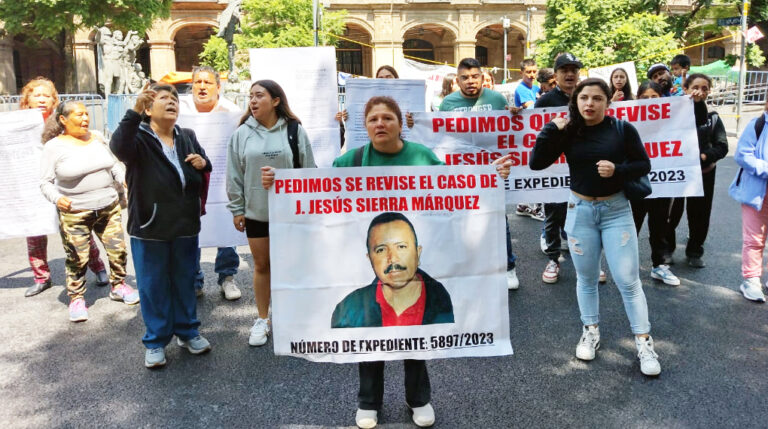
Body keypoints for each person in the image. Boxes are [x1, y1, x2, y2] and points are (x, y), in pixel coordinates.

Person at [263, 95, 511, 429]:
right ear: (365, 127)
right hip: (372, 284)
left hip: (420, 277)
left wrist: (491, 177)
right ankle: (368, 403)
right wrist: (277, 185)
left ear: (399, 124)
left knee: (418, 337)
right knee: (367, 337)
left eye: (387, 118)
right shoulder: (349, 162)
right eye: (373, 119)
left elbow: (455, 197)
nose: (380, 124)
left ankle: (418, 399)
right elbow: (318, 198)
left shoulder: (422, 157)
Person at [531, 78, 661, 377]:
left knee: (628, 280)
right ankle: (590, 331)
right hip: (580, 212)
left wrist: (619, 170)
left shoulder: (622, 129)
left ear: (608, 101)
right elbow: (537, 163)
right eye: (584, 98)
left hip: (616, 211)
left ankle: (643, 342)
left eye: (597, 98)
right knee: (586, 278)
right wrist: (551, 129)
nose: (590, 104)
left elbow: (644, 164)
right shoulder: (568, 131)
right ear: (575, 101)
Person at [110, 84, 213, 368]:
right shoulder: (138, 137)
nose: (171, 103)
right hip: (150, 225)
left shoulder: (187, 136)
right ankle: (156, 341)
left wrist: (203, 162)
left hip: (185, 224)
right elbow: (117, 147)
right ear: (148, 108)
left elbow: (206, 165)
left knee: (185, 281)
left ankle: (188, 332)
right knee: (153, 285)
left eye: (174, 99)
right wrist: (133, 112)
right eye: (163, 99)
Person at [227, 80, 316, 347]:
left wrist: (283, 178)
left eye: (259, 96)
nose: (252, 101)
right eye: (250, 96)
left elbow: (310, 171)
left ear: (276, 101)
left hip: (292, 212)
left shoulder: (294, 130)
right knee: (262, 266)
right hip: (257, 212)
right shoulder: (242, 133)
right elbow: (234, 175)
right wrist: (237, 208)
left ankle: (297, 318)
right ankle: (263, 319)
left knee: (294, 266)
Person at [39, 101, 137, 322]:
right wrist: (57, 198)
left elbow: (113, 165)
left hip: (108, 206)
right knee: (78, 257)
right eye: (78, 115)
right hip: (75, 211)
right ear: (63, 119)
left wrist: (123, 180)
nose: (85, 118)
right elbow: (45, 182)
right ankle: (76, 298)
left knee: (118, 250)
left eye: (86, 114)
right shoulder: (54, 146)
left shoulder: (96, 138)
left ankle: (119, 286)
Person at [19, 77, 108, 298]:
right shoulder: (16, 125)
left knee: (80, 229)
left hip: (65, 186)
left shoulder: (62, 123)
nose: (42, 99)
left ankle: (98, 268)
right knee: (35, 232)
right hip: (30, 186)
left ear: (53, 100)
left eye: (46, 96)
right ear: (27, 100)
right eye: (36, 95)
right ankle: (41, 277)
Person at [438, 57, 520, 290]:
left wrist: (514, 113)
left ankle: (509, 267)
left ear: (483, 77)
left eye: (475, 76)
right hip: (462, 171)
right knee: (462, 219)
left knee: (497, 218)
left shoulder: (496, 99)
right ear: (458, 80)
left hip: (493, 170)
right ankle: (469, 267)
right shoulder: (448, 103)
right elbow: (439, 134)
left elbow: (512, 127)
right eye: (465, 77)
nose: (470, 81)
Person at [179, 65, 243, 301]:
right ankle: (194, 280)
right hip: (190, 182)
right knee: (191, 232)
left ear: (218, 87)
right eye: (198, 82)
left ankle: (227, 277)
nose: (202, 87)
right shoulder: (180, 109)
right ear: (192, 86)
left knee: (225, 228)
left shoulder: (232, 112)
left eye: (207, 83)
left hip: (222, 180)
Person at [331, 212, 454, 328]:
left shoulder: (442, 301)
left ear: (418, 253)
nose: (393, 259)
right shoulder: (348, 311)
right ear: (370, 259)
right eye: (381, 250)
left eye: (401, 247)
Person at [665, 74, 728, 268]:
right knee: (670, 213)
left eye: (705, 88)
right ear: (685, 88)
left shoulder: (713, 118)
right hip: (678, 172)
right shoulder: (673, 114)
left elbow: (722, 146)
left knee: (700, 214)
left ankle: (694, 251)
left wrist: (705, 157)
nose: (700, 92)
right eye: (695, 87)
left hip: (703, 174)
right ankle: (666, 249)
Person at [626, 81, 680, 286]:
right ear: (638, 99)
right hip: (637, 184)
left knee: (660, 225)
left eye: (654, 98)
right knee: (632, 225)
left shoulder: (671, 118)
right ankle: (627, 268)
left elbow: (692, 121)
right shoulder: (629, 121)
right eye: (645, 98)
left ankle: (660, 266)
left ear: (661, 98)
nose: (649, 102)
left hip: (662, 184)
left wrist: (695, 103)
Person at [535, 53, 580, 284]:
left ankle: (589, 262)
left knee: (584, 215)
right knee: (554, 214)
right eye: (565, 70)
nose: (570, 74)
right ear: (556, 75)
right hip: (554, 168)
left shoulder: (586, 96)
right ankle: (553, 258)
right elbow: (534, 133)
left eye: (574, 70)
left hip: (582, 167)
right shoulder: (544, 101)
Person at [730, 95, 768, 302]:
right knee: (754, 238)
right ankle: (751, 280)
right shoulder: (758, 125)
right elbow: (743, 155)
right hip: (756, 191)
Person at [513, 59, 545, 222]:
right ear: (522, 73)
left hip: (536, 133)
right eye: (529, 72)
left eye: (534, 72)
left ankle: (524, 203)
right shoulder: (521, 89)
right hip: (528, 135)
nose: (532, 75)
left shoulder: (536, 88)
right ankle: (535, 205)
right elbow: (533, 108)